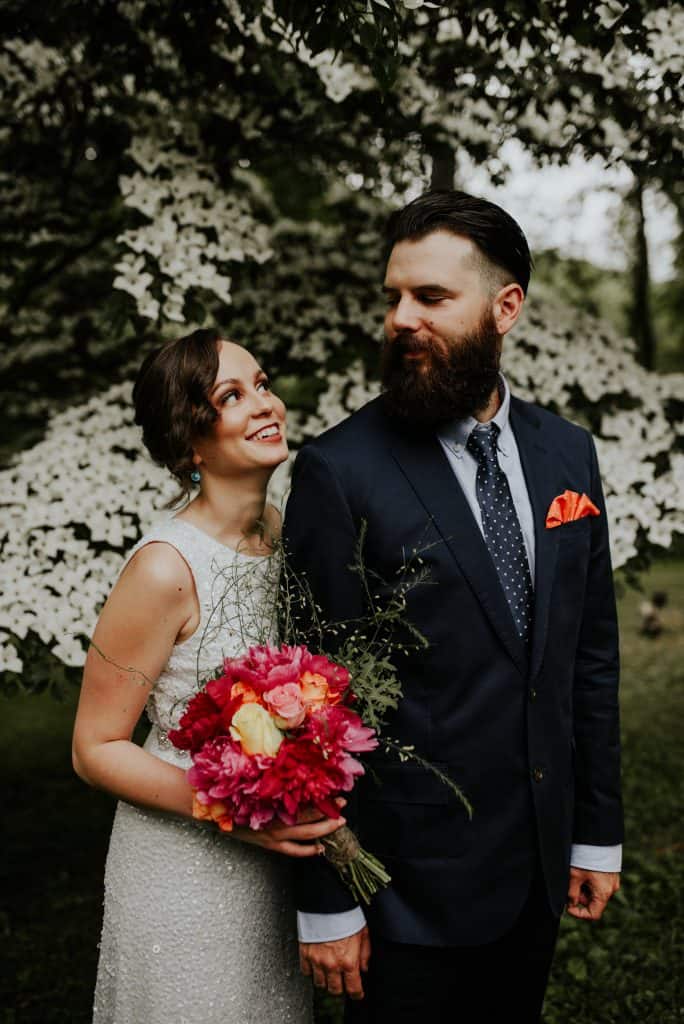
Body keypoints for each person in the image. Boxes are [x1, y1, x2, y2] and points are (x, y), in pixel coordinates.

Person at [282, 191, 623, 1022]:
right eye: (394, 296)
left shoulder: (566, 451)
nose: (402, 318)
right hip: (404, 891)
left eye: (432, 298)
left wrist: (594, 834)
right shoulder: (339, 469)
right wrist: (328, 897)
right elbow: (301, 700)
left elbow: (588, 659)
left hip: (538, 868)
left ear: (505, 308)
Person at [72, 329, 345, 1024]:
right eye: (232, 395)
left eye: (261, 382)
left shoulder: (284, 533)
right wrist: (229, 810)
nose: (265, 404)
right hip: (183, 870)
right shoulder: (164, 568)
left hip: (273, 864)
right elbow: (94, 747)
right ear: (190, 441)